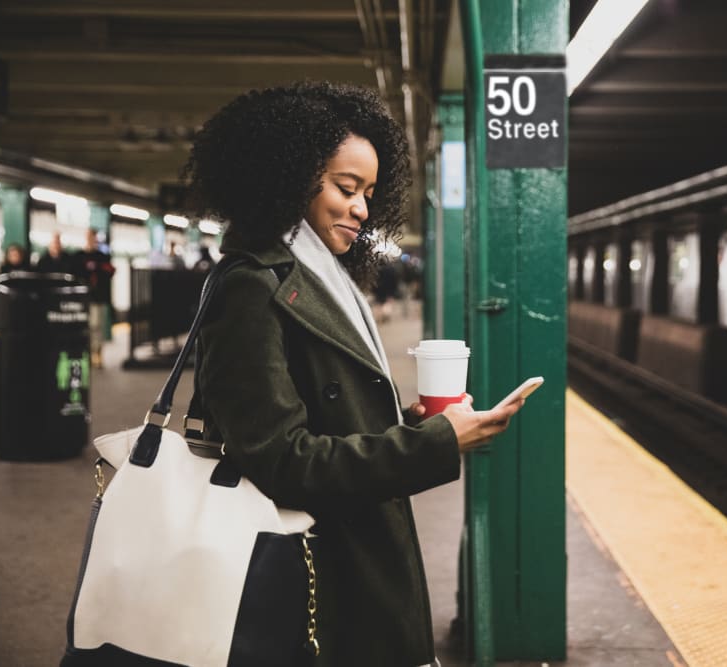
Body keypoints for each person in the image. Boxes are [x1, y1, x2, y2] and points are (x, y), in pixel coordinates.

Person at [185, 81, 524, 666]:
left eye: (369, 192)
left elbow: (328, 415)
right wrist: (436, 443)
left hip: (349, 550)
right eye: (346, 188)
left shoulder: (322, 278)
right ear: (287, 176)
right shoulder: (250, 287)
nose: (362, 210)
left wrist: (408, 422)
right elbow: (282, 460)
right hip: (311, 574)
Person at [73, 228, 115, 368]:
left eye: (93, 237)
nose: (91, 240)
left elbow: (110, 272)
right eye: (89, 237)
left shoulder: (102, 256)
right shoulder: (79, 256)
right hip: (83, 298)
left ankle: (97, 352)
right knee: (87, 327)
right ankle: (89, 352)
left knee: (97, 326)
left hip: (98, 298)